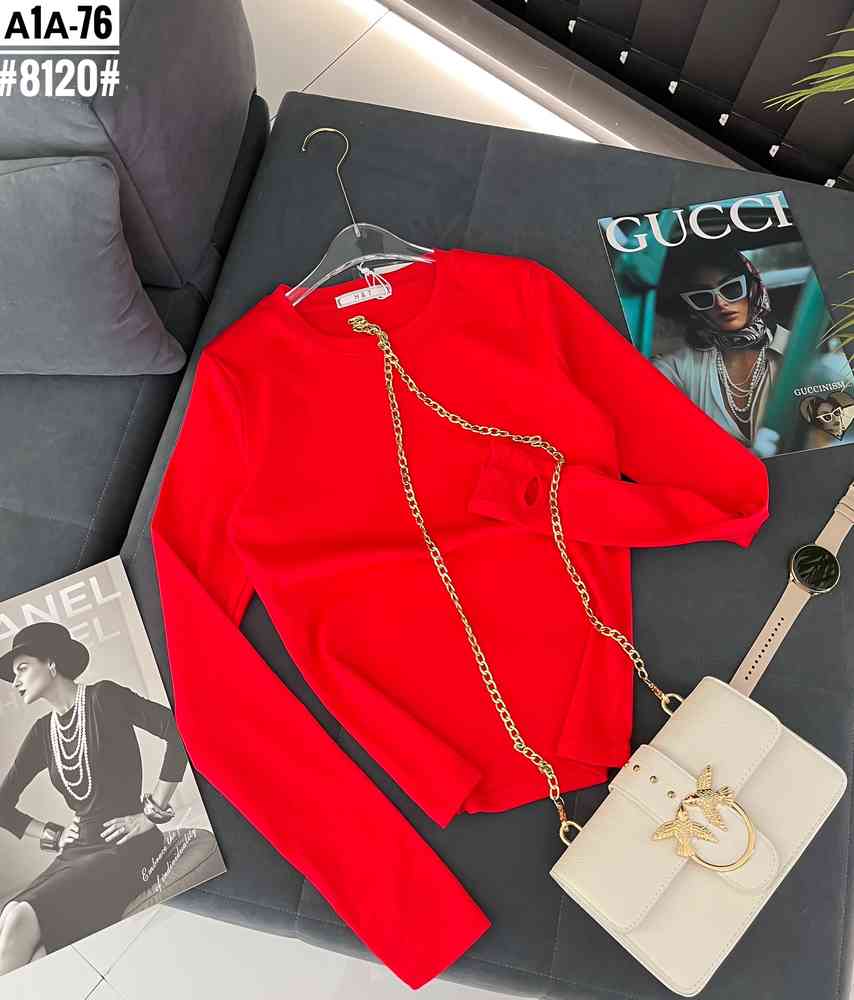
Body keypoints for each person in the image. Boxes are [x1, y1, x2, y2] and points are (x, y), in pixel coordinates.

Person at [0, 622, 188, 974]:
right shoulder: (42, 733)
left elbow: (180, 729)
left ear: (51, 663)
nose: (15, 681)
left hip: (127, 845)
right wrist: (53, 834)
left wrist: (151, 812)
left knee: (23, 916)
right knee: (10, 914)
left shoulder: (105, 698)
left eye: (22, 668)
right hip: (77, 850)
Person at [651, 245, 854, 453]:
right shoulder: (675, 369)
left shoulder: (798, 350)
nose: (721, 303)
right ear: (692, 308)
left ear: (752, 288)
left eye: (731, 288)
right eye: (702, 297)